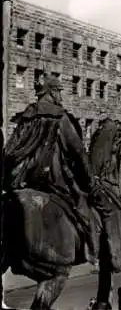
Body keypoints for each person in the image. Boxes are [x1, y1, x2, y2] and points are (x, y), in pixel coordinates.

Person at [2, 75, 97, 264]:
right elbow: (77, 151)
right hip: (52, 178)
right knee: (85, 209)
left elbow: (12, 148)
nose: (60, 96)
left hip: (23, 177)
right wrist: (89, 179)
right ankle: (91, 250)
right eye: (59, 92)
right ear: (52, 92)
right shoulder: (60, 117)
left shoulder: (27, 116)